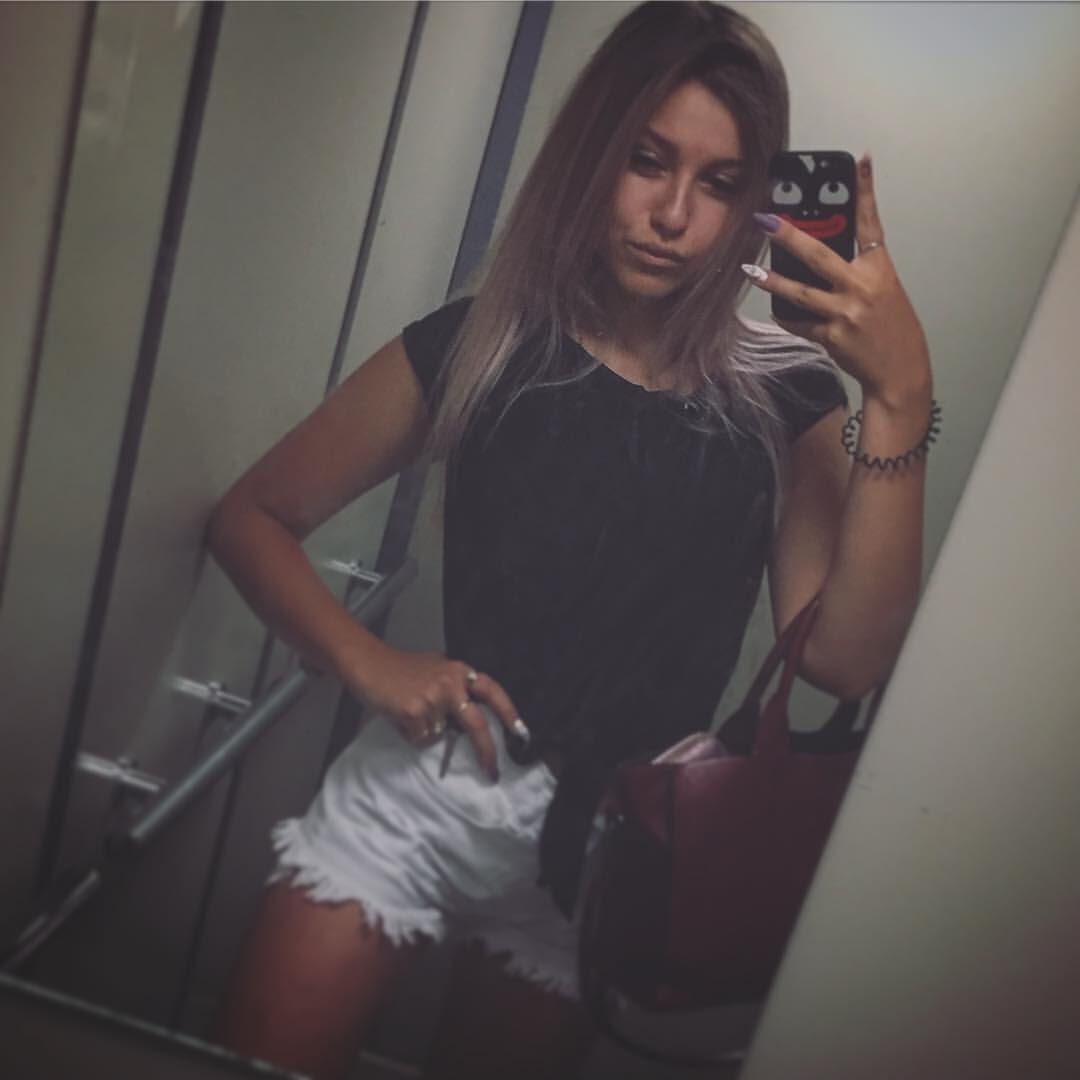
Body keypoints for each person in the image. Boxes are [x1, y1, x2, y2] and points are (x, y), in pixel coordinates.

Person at [208, 3, 934, 1077]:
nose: (673, 214)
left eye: (719, 182)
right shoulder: (486, 340)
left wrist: (902, 393)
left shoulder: (786, 393)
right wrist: (369, 662)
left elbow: (844, 660)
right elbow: (252, 516)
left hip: (611, 849)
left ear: (753, 204)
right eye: (646, 160)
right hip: (419, 797)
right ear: (594, 153)